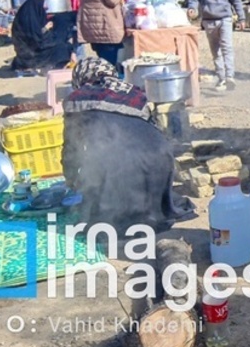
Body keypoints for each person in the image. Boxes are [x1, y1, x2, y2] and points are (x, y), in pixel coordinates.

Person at [61, 58, 194, 235]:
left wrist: (71, 177)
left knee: (101, 217)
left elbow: (72, 148)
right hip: (161, 160)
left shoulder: (76, 99)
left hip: (123, 163)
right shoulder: (134, 93)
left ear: (80, 78)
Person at [187, 0, 245, 92]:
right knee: (215, 51)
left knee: (227, 48)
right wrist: (192, 7)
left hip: (225, 18)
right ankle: (221, 78)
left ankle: (230, 76)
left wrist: (241, 17)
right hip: (208, 19)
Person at [10, 0, 75, 73]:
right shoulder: (28, 21)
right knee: (62, 47)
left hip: (27, 53)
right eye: (43, 9)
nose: (44, 11)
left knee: (63, 43)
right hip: (31, 55)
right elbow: (35, 40)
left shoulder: (29, 17)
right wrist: (45, 29)